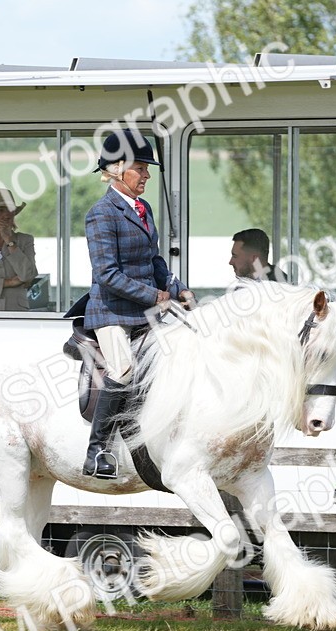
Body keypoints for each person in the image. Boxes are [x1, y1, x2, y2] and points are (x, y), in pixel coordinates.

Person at [81, 129, 194, 479]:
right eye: (140, 168)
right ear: (117, 170)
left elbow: (153, 260)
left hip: (146, 311)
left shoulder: (143, 209)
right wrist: (154, 296)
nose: (146, 174)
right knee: (123, 370)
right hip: (111, 311)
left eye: (146, 169)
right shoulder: (101, 213)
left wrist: (177, 288)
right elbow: (107, 274)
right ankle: (96, 451)